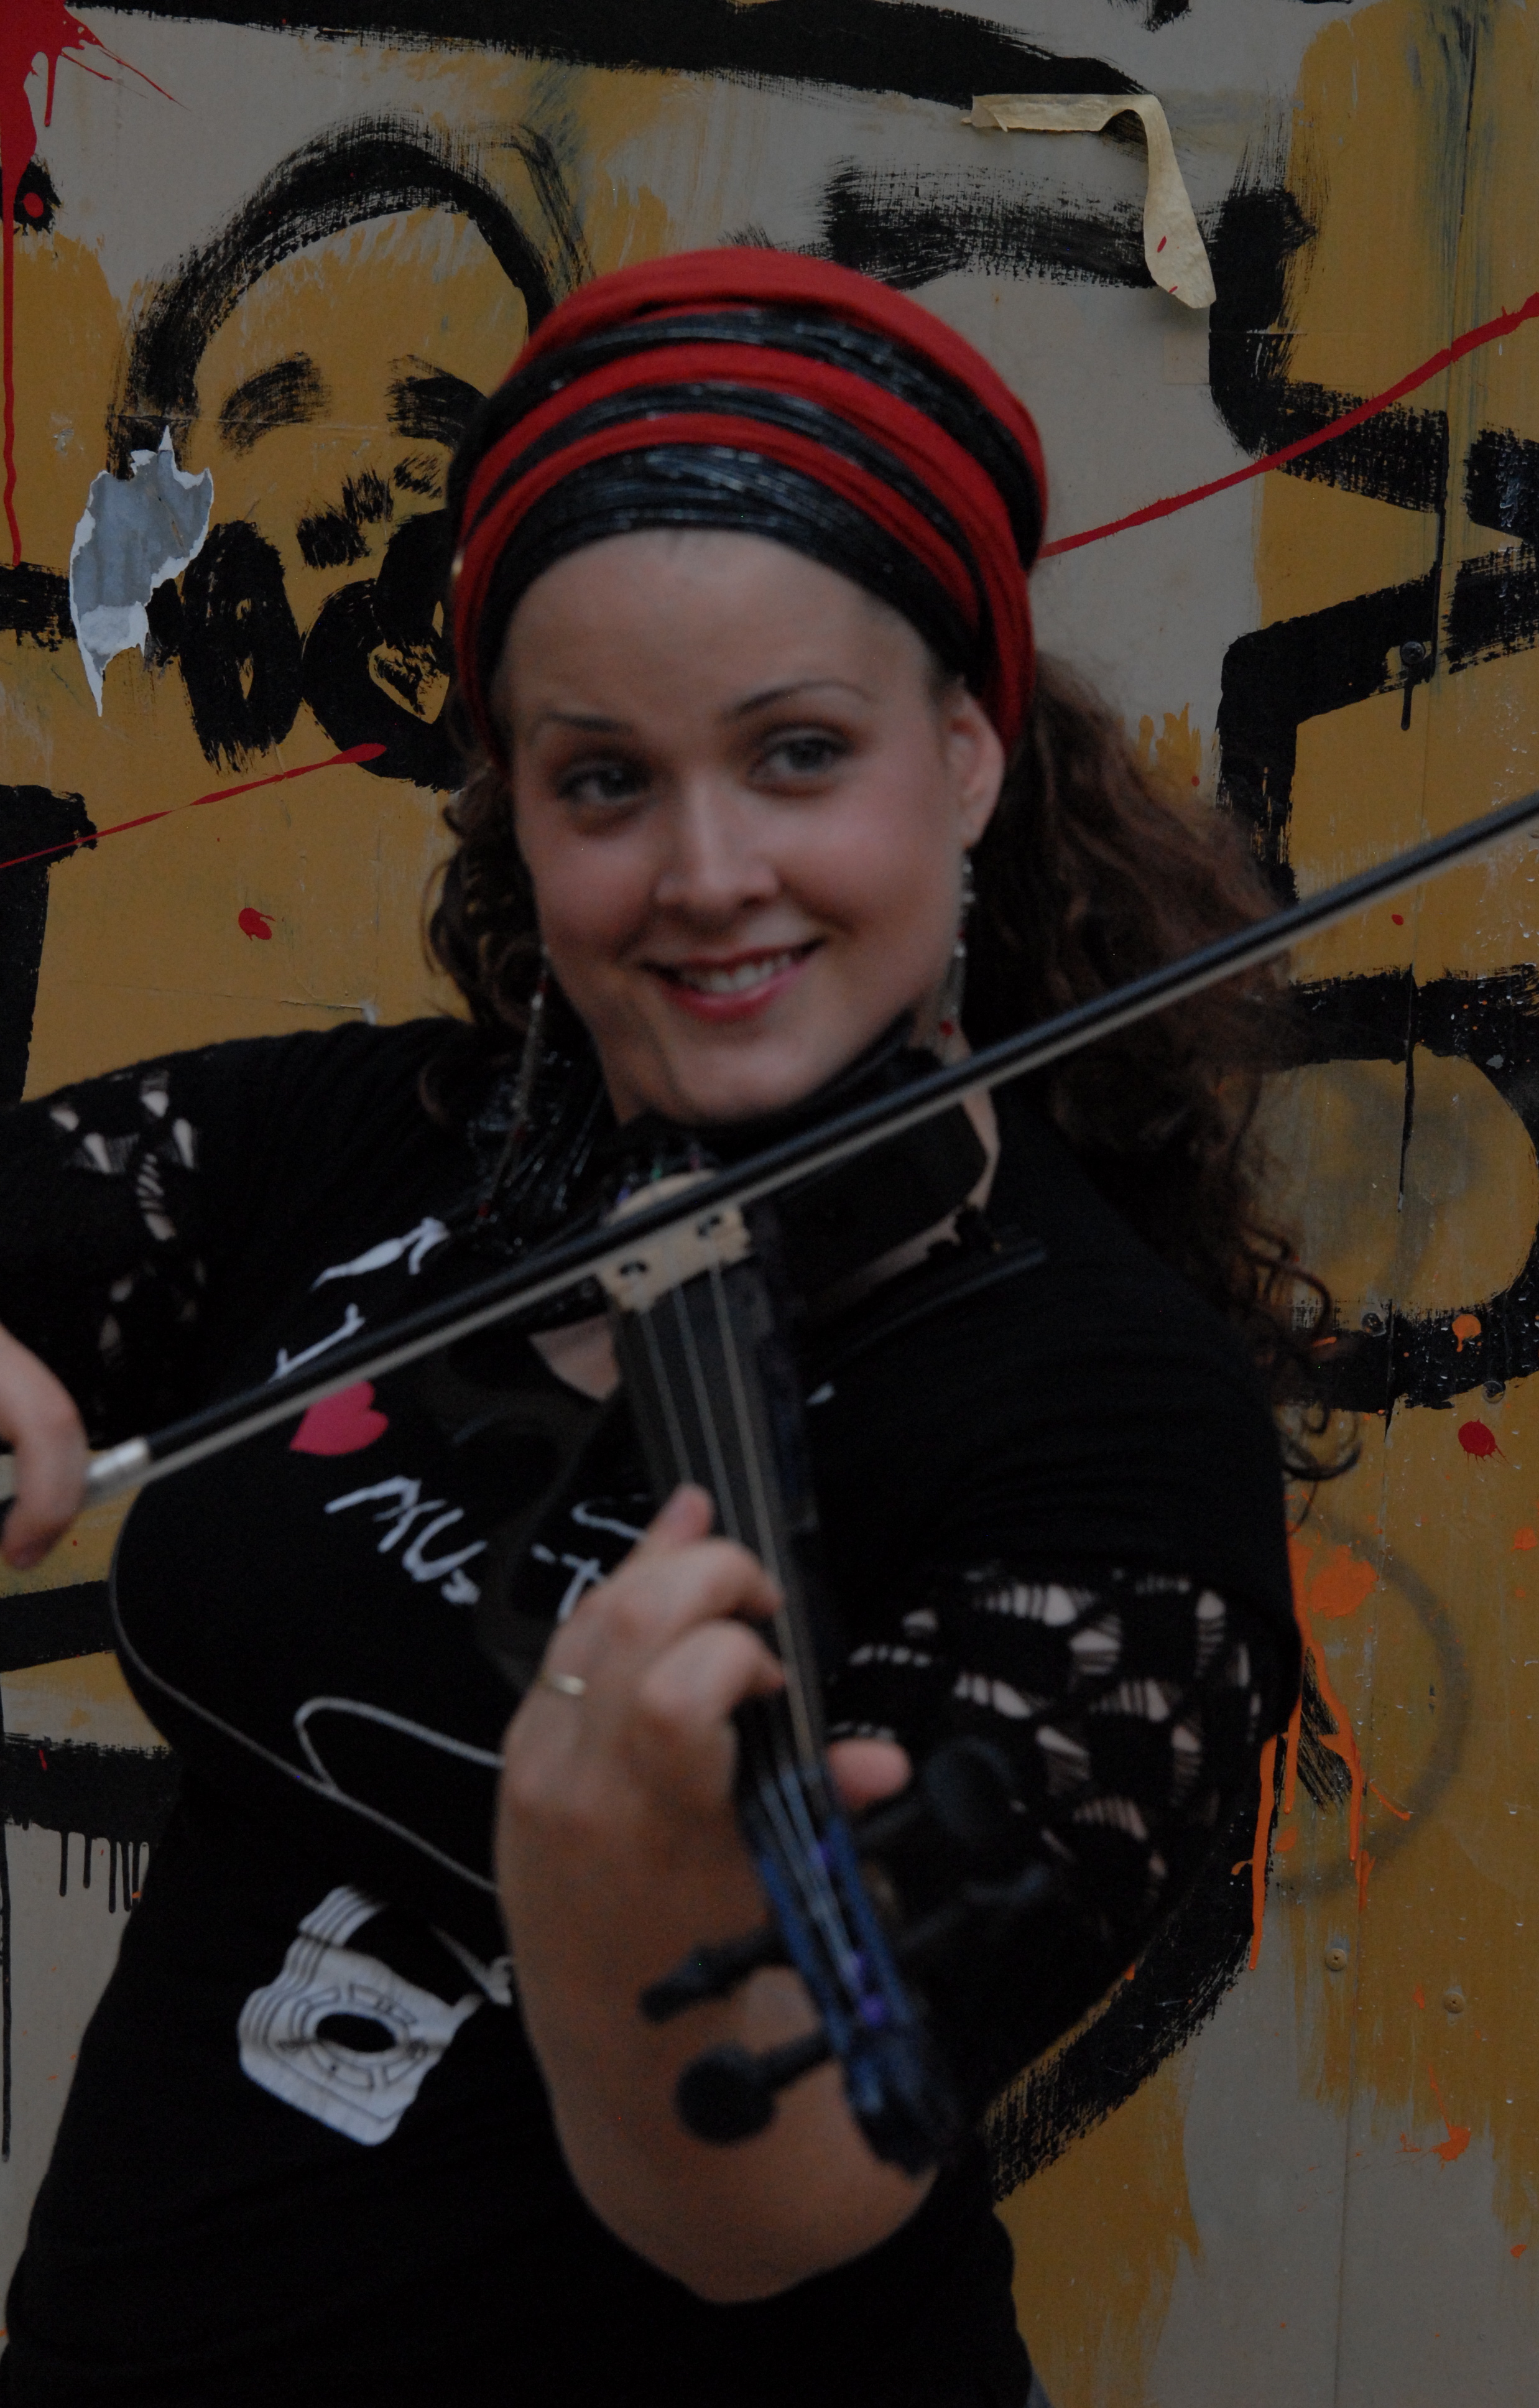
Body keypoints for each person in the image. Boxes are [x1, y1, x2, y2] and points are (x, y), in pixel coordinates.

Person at [0, 251, 1310, 2404]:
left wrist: (617, 1903)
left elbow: (778, 2195)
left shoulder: (1106, 1426)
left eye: (798, 755)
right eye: (604, 781)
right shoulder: (405, 1147)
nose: (706, 873)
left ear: (967, 756)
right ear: (518, 804)